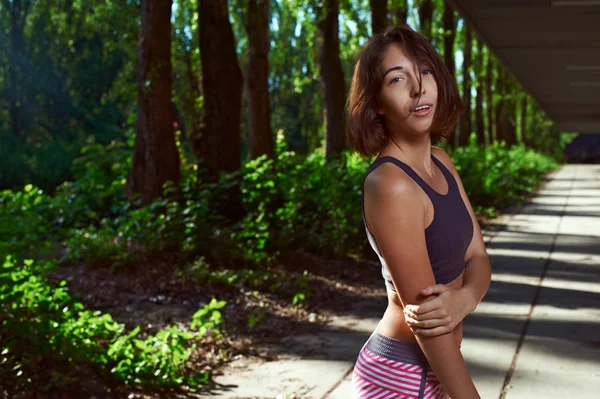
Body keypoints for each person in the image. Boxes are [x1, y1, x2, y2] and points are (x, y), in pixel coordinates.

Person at [347, 24, 492, 399]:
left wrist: (465, 298)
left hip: (435, 370)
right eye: (398, 79)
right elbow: (427, 321)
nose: (418, 88)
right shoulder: (391, 184)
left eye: (425, 71)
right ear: (376, 101)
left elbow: (478, 257)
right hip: (402, 378)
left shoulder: (441, 162)